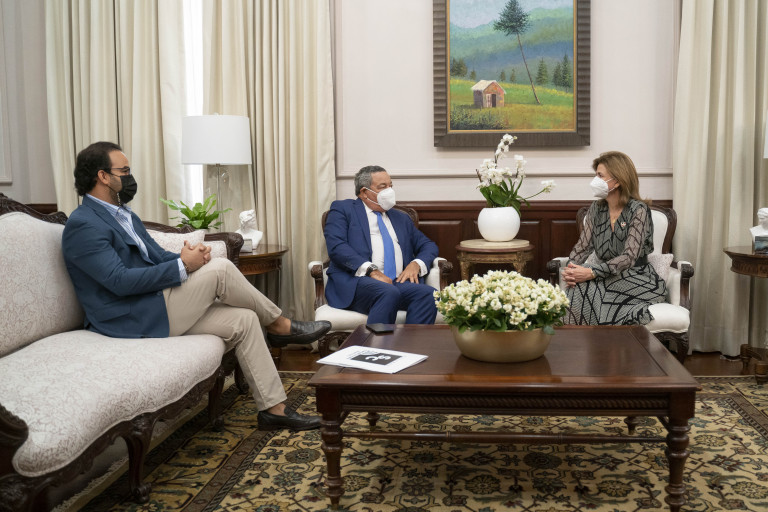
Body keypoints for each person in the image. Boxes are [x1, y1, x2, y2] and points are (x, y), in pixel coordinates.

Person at [61, 141, 330, 431]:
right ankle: (279, 325)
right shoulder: (84, 224)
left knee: (245, 319)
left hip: (154, 302)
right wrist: (184, 266)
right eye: (124, 171)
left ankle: (274, 410)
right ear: (103, 176)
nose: (129, 177)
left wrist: (190, 258)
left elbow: (157, 256)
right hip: (130, 316)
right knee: (222, 268)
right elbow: (119, 281)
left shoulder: (125, 215)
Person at [323, 165, 439, 324]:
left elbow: (428, 245)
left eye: (391, 186)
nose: (389, 191)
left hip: (397, 282)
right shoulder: (343, 209)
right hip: (357, 283)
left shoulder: (401, 218)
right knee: (388, 292)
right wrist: (371, 270)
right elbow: (337, 247)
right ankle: (375, 341)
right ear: (364, 192)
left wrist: (416, 264)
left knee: (428, 295)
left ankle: (411, 341)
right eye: (383, 187)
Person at [561, 151, 666, 325]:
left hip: (636, 276)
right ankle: (580, 338)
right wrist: (572, 269)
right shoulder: (596, 208)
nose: (595, 180)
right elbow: (583, 247)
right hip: (605, 276)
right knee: (580, 285)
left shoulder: (638, 210)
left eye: (600, 175)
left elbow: (629, 257)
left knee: (590, 287)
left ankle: (593, 338)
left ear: (617, 181)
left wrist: (592, 272)